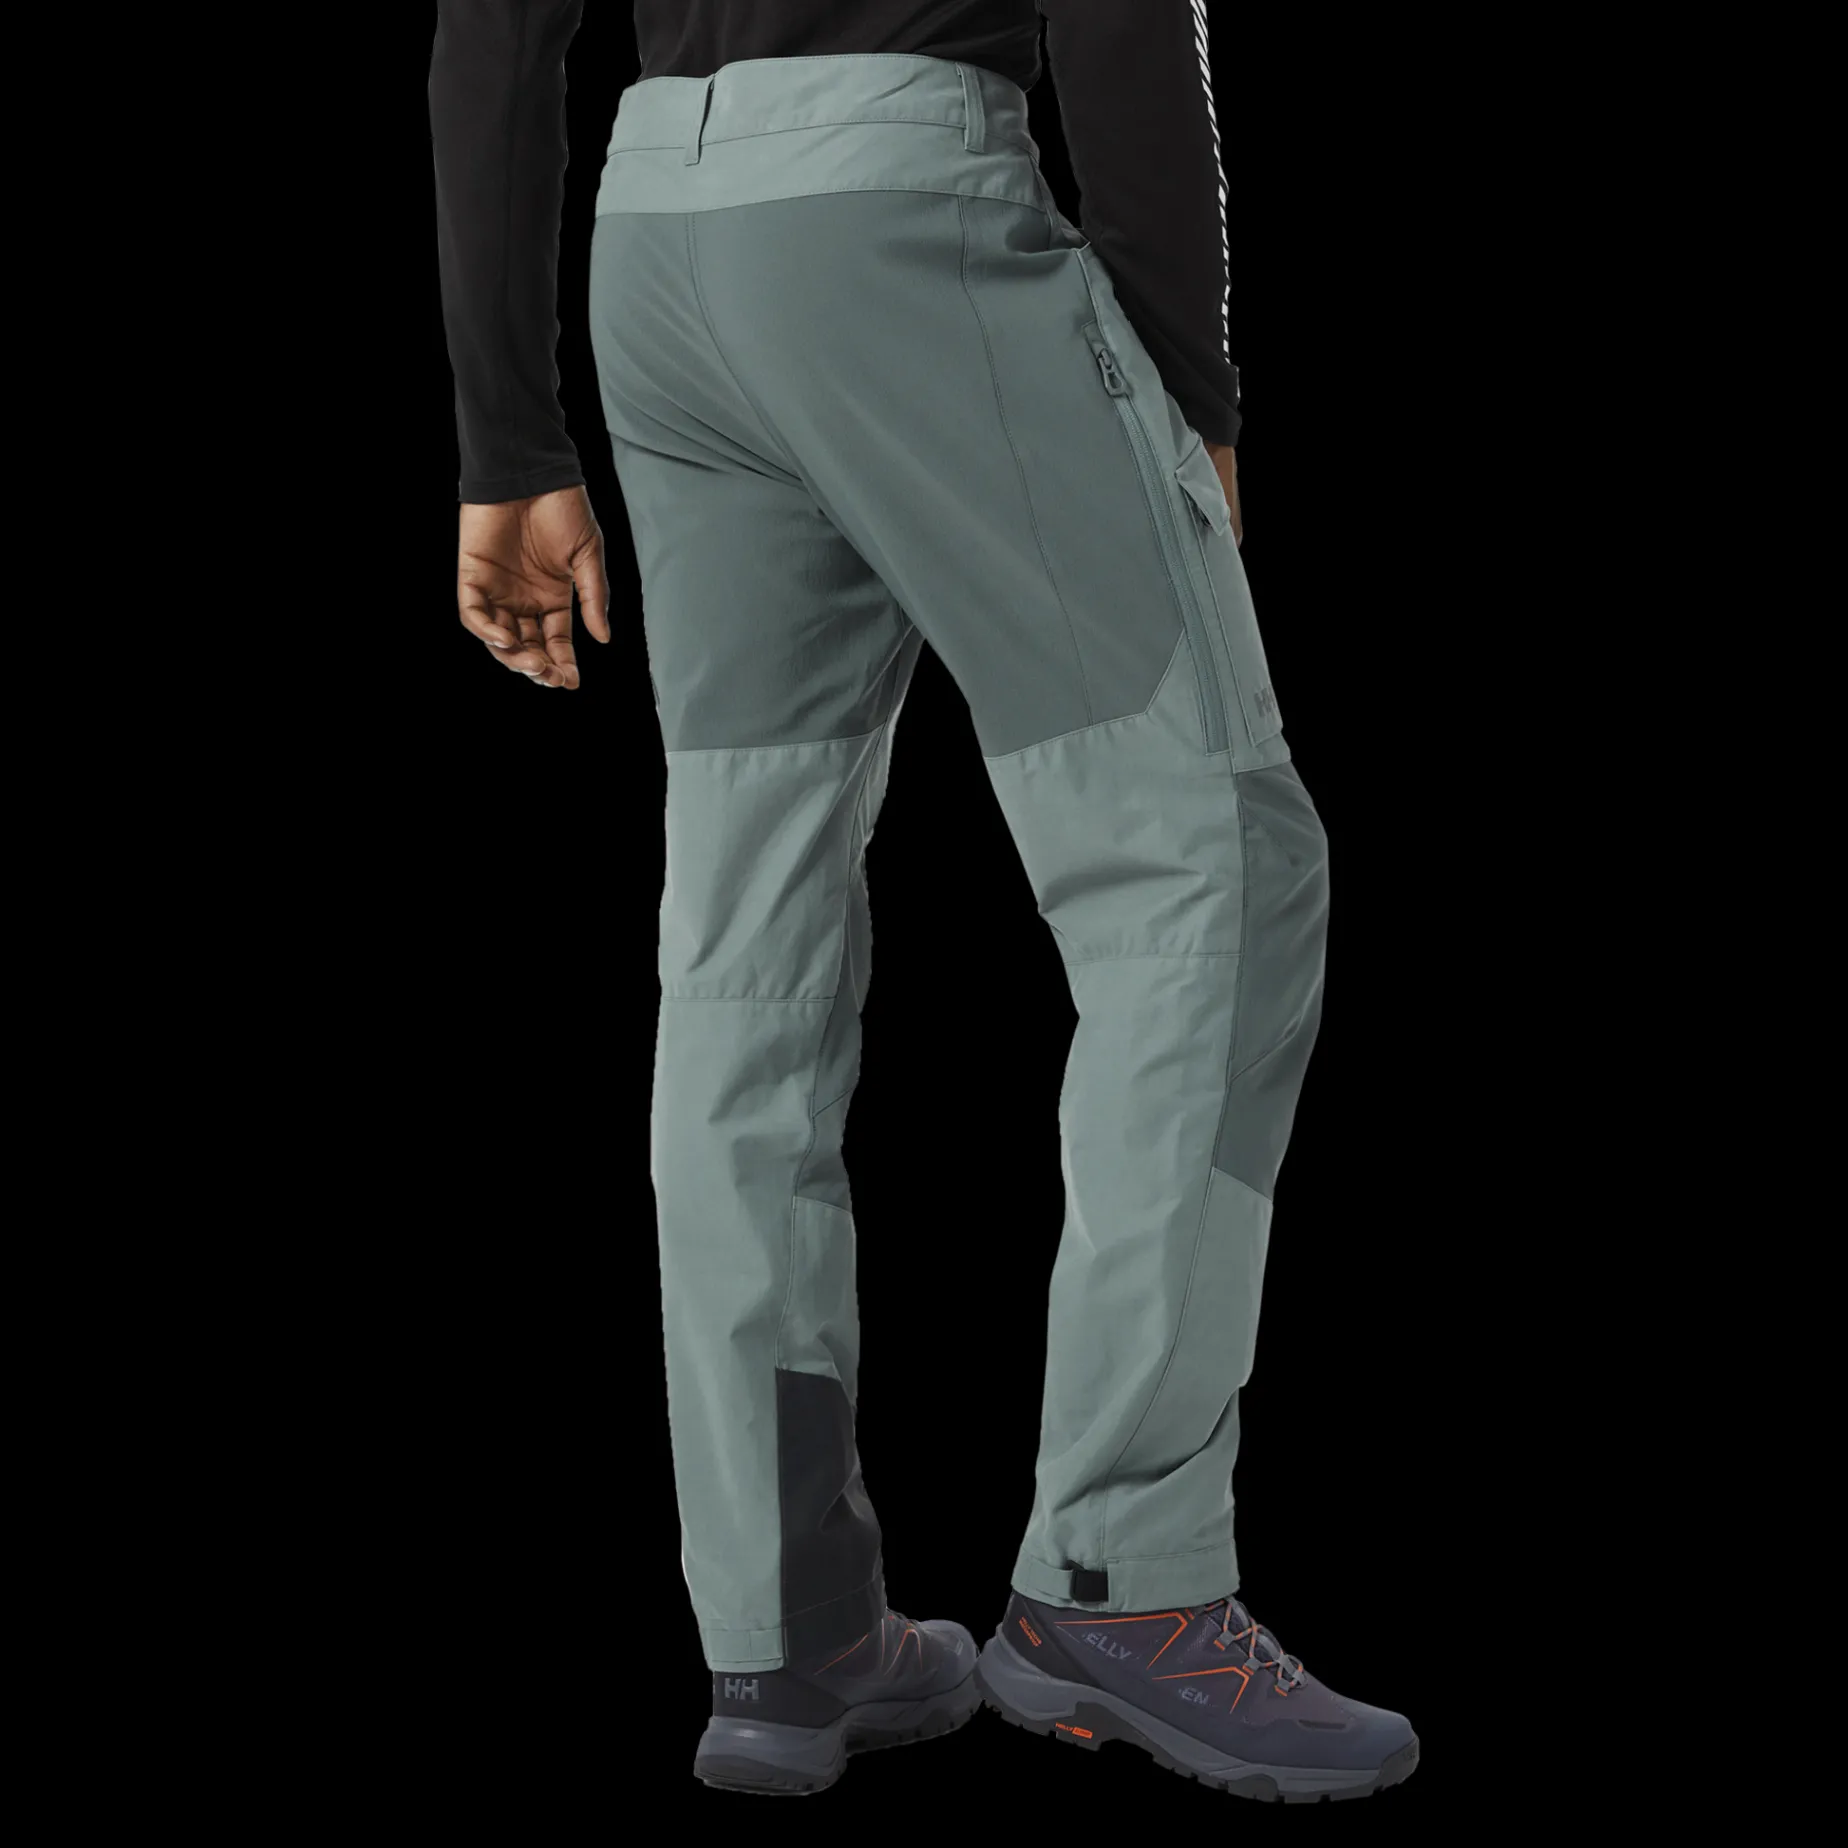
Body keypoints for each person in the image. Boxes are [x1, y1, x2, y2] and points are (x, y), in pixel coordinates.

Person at [430, 1, 1415, 1802]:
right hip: (903, 224)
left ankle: (786, 1630)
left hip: (655, 243)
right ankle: (1123, 1582)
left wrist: (507, 433)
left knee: (745, 950)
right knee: (1212, 863)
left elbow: (495, 26)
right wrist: (1189, 395)